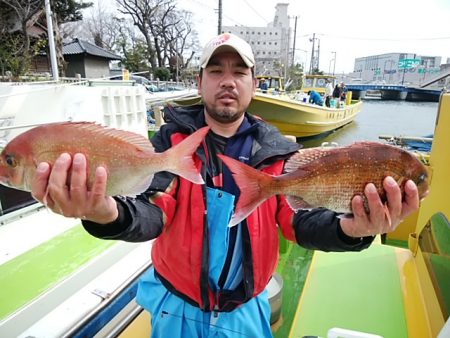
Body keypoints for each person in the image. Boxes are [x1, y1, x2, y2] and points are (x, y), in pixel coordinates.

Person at [31, 33, 421, 337]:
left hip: (245, 311)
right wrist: (104, 212)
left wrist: (350, 229)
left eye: (239, 71)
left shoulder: (279, 153)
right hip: (175, 308)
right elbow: (152, 212)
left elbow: (298, 221)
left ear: (254, 82)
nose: (228, 81)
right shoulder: (169, 144)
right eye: (216, 70)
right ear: (200, 81)